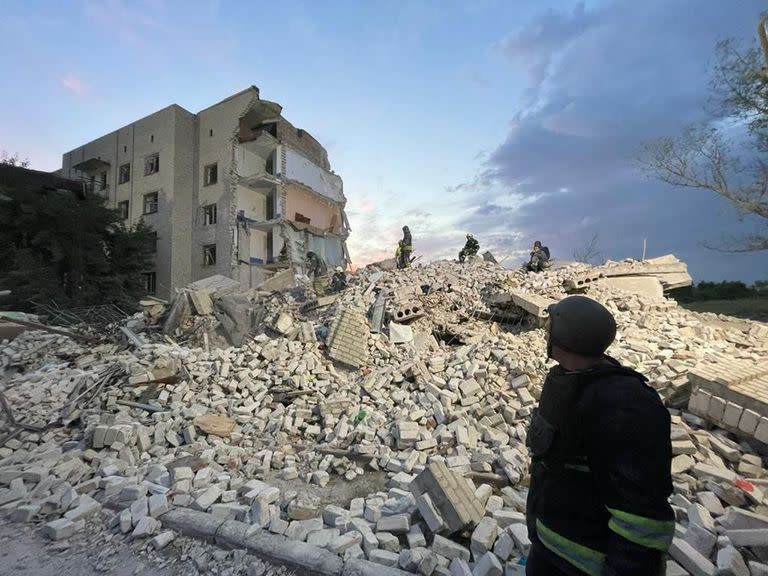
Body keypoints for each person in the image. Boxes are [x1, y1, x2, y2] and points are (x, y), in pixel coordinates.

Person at [525, 296, 674, 576]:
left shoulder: (626, 404)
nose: (546, 333)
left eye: (551, 328)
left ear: (566, 337)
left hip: (583, 565)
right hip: (549, 549)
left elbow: (642, 521)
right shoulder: (568, 380)